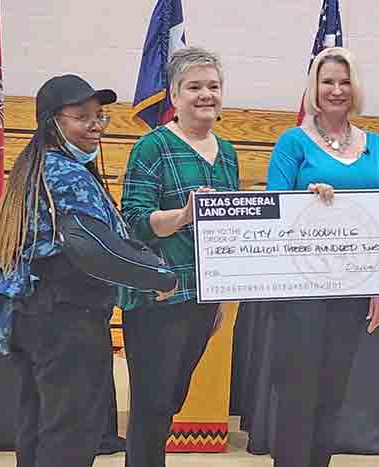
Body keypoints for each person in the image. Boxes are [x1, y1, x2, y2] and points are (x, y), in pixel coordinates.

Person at [0, 74, 178, 467]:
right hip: (65, 317)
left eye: (100, 116)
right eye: (82, 116)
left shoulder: (35, 168)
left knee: (39, 424)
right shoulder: (66, 174)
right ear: (53, 122)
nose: (95, 125)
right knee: (72, 432)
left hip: (31, 312)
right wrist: (156, 275)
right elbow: (92, 246)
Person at [263, 46, 379, 467]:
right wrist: (304, 201)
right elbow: (272, 210)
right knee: (298, 394)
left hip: (353, 288)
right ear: (314, 88)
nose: (337, 89)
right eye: (328, 81)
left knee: (334, 393)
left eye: (344, 81)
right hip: (302, 289)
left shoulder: (377, 146)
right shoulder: (292, 142)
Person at [119, 46, 238, 467]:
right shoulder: (152, 147)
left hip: (202, 299)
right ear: (174, 94)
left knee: (171, 401)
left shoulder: (227, 153)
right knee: (151, 407)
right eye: (194, 87)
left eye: (213, 86)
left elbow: (228, 232)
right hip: (158, 297)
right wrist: (185, 215)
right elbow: (132, 222)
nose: (205, 94)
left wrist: (221, 294)